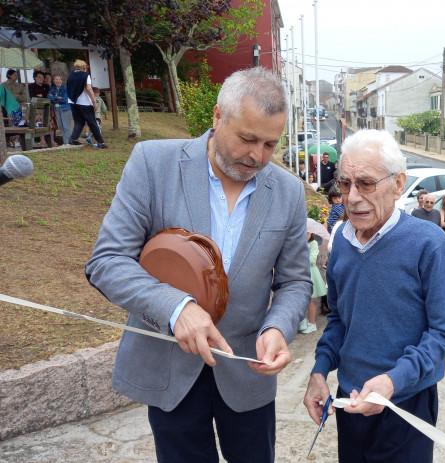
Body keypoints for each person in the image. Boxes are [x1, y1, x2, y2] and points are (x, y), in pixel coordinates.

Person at [85, 67, 312, 462]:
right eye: (247, 139)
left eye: (270, 145)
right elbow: (107, 261)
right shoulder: (153, 163)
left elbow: (295, 282)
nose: (257, 156)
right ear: (218, 116)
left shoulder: (289, 191)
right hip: (170, 369)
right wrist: (176, 309)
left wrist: (279, 326)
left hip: (248, 371)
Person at [304, 129, 445, 462]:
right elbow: (339, 319)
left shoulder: (430, 244)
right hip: (350, 399)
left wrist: (394, 380)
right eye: (345, 184)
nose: (352, 197)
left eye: (365, 183)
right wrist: (319, 371)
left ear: (398, 183)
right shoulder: (342, 242)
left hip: (406, 402)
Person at [67, 60, 107, 148]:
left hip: (73, 102)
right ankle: (100, 142)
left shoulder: (71, 75)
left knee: (79, 122)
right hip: (84, 103)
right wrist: (94, 102)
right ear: (84, 68)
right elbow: (88, 89)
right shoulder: (85, 76)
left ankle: (73, 139)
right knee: (92, 122)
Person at [301, 232, 326, 334]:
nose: (306, 235)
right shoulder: (300, 243)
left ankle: (312, 323)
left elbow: (312, 260)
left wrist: (301, 255)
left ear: (311, 234)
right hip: (301, 272)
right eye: (304, 232)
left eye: (308, 233)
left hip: (310, 273)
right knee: (302, 299)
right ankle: (303, 321)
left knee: (309, 299)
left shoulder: (314, 243)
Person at [47, 75, 72, 145]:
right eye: (56, 79)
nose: (58, 81)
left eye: (59, 79)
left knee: (66, 125)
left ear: (61, 80)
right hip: (57, 109)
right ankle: (65, 142)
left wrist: (54, 98)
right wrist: (57, 98)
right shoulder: (52, 89)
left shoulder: (65, 88)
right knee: (61, 126)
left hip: (65, 108)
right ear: (53, 81)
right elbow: (49, 97)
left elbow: (65, 99)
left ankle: (69, 142)